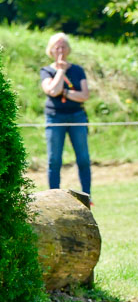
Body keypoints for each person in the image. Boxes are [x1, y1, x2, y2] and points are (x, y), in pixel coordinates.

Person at [40, 32, 92, 197]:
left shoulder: (78, 70)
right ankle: (54, 197)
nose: (60, 49)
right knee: (54, 160)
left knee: (83, 159)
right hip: (55, 118)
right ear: (51, 50)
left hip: (77, 116)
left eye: (63, 46)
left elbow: (84, 95)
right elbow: (51, 91)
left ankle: (87, 196)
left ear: (68, 49)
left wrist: (64, 92)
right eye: (57, 46)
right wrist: (60, 71)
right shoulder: (46, 71)